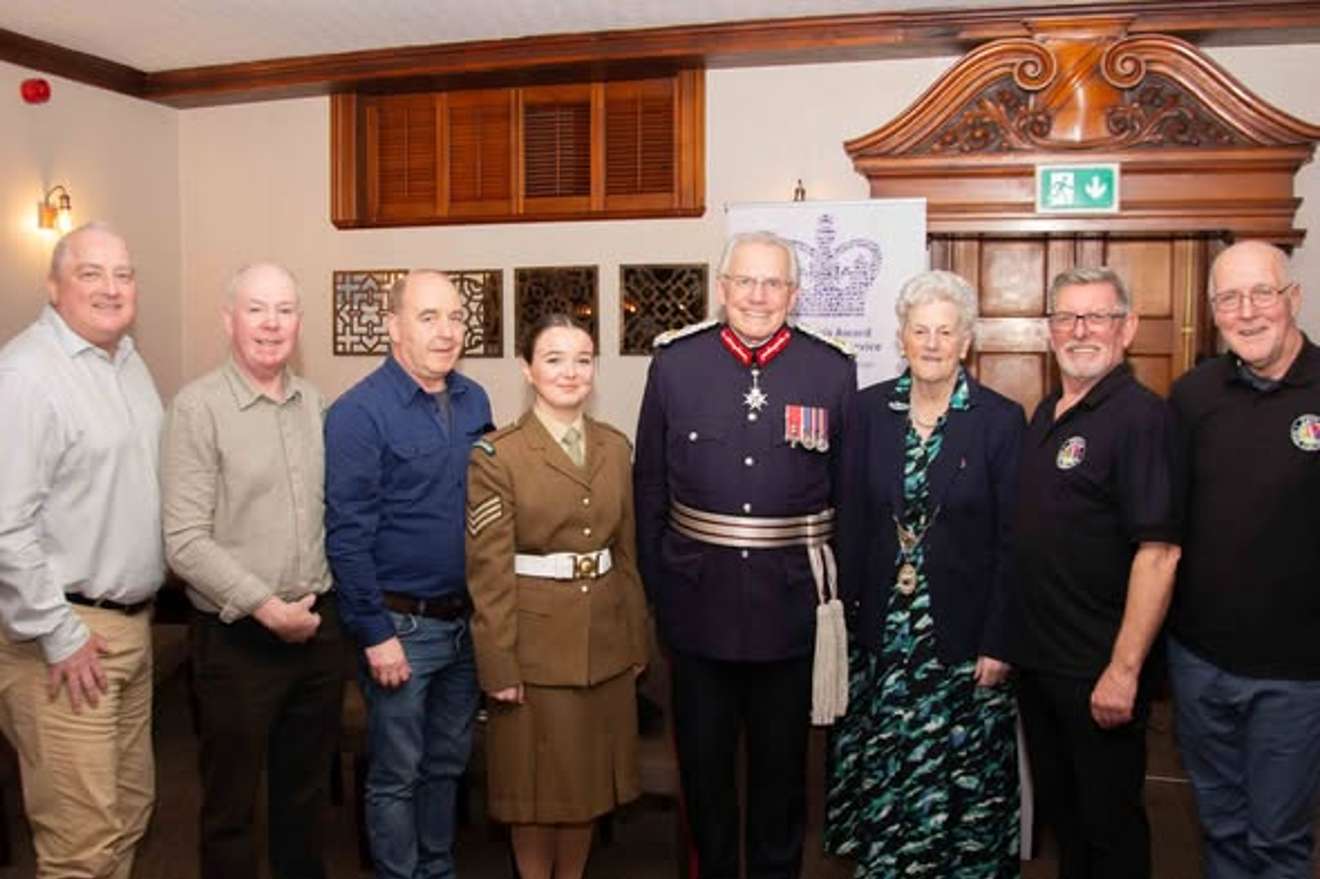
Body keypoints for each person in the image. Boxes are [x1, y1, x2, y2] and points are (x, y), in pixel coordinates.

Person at [634, 230, 857, 879]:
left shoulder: (830, 368)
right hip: (696, 608)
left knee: (783, 782)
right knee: (704, 780)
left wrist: (838, 600)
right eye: (746, 281)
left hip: (790, 612)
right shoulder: (677, 363)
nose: (759, 296)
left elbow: (846, 493)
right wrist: (659, 589)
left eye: (774, 283)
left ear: (795, 293)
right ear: (722, 287)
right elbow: (649, 484)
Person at [825, 270, 1023, 878]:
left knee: (962, 784)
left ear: (967, 341)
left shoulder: (999, 419)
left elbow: (1016, 542)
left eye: (946, 331)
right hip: (884, 639)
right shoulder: (866, 410)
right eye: (920, 330)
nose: (932, 343)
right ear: (901, 338)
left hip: (965, 641)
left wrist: (1001, 639)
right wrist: (849, 624)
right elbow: (850, 518)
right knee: (888, 778)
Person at [160, 262, 344, 879]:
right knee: (231, 811)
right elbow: (183, 542)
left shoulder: (313, 403)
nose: (272, 324)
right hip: (239, 640)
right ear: (228, 320)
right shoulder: (197, 409)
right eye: (257, 309)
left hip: (316, 632)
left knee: (304, 801)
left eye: (285, 310)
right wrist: (267, 607)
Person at [0, 222, 165, 879]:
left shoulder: (128, 361)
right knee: (80, 841)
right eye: (91, 273)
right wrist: (59, 633)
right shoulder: (26, 375)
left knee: (127, 811)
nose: (111, 287)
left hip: (131, 626)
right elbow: (6, 525)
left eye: (123, 274)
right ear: (52, 285)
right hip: (64, 641)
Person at [1011, 265, 1181, 879]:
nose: (1081, 331)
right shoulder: (1048, 412)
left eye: (1098, 317)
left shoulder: (1141, 418)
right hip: (1041, 666)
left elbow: (1159, 553)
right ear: (1049, 330)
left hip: (1099, 670)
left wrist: (1124, 669)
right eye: (1067, 317)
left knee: (1110, 831)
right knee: (1069, 824)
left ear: (1128, 327)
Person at [466, 313, 649, 879]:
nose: (570, 372)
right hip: (535, 650)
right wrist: (498, 663)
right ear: (527, 369)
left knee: (587, 791)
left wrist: (636, 642)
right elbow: (488, 571)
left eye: (583, 359)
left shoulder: (616, 447)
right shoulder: (499, 456)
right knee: (535, 792)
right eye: (554, 359)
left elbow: (627, 556)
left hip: (606, 644)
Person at [325, 269, 493, 879]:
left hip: (464, 623)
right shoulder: (357, 414)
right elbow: (346, 537)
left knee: (447, 764)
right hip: (401, 627)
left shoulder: (476, 400)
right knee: (397, 772)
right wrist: (374, 633)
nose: (446, 331)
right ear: (394, 328)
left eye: (454, 317)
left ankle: (438, 868)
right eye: (428, 318)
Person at [1167, 240, 1320, 879]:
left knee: (1278, 841)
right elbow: (1166, 522)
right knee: (1220, 828)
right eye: (1229, 298)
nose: (1247, 311)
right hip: (1200, 661)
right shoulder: (1193, 394)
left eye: (1262, 293)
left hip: (1296, 674)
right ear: (1212, 311)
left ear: (1293, 299)